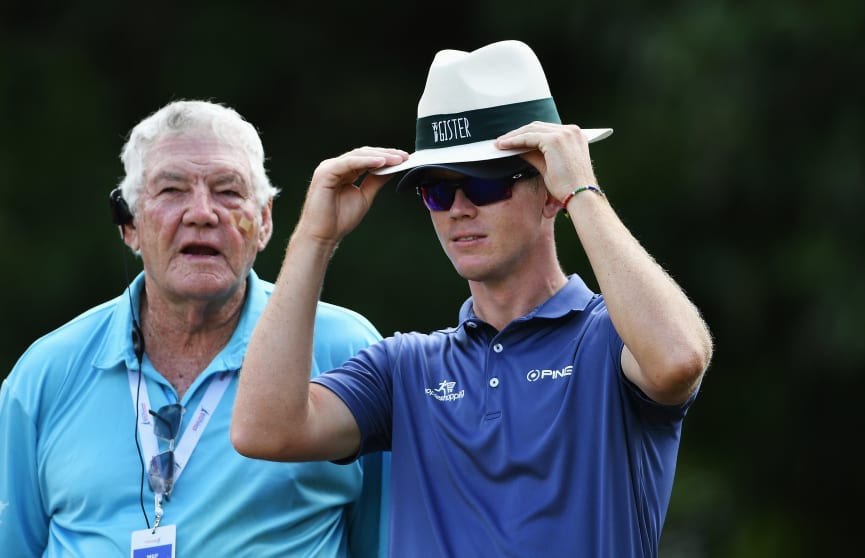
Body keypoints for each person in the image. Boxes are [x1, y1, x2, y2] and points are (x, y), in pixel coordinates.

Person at [231, 40, 714, 557]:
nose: (458, 209)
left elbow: (679, 359)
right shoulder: (406, 368)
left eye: (483, 185)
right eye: (436, 190)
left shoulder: (610, 338)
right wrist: (315, 239)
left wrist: (584, 192)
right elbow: (264, 429)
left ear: (550, 189)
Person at [0, 100, 389, 557]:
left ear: (265, 222)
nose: (202, 213)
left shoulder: (344, 348)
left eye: (228, 191)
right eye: (172, 190)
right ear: (128, 225)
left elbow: (390, 542)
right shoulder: (45, 374)